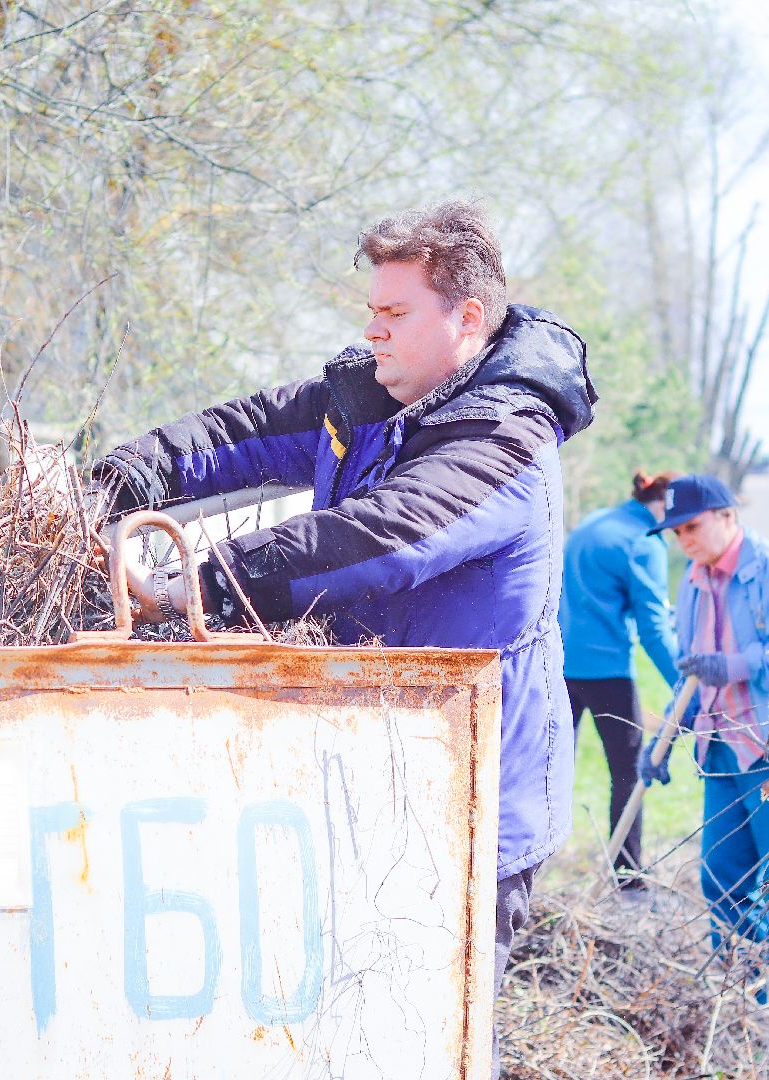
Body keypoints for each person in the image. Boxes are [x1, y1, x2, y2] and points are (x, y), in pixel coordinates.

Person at [91, 200, 596, 1072]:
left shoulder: (505, 437)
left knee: (423, 1045)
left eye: (396, 314)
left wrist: (197, 584)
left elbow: (383, 536)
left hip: (463, 817)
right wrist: (120, 478)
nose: (373, 330)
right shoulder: (368, 401)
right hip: (359, 790)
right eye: (372, 310)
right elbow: (240, 434)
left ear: (468, 318)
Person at [639, 474, 769, 1040]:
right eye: (676, 532)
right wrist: (663, 741)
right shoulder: (694, 581)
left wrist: (734, 665)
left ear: (727, 516)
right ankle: (741, 998)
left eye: (692, 526)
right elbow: (689, 673)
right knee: (723, 878)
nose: (684, 540)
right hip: (722, 748)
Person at [559, 469, 682, 887]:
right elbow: (653, 627)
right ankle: (627, 873)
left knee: (550, 767)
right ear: (666, 506)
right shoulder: (643, 542)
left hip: (559, 664)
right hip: (607, 668)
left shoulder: (595, 520)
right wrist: (683, 681)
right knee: (628, 771)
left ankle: (528, 864)